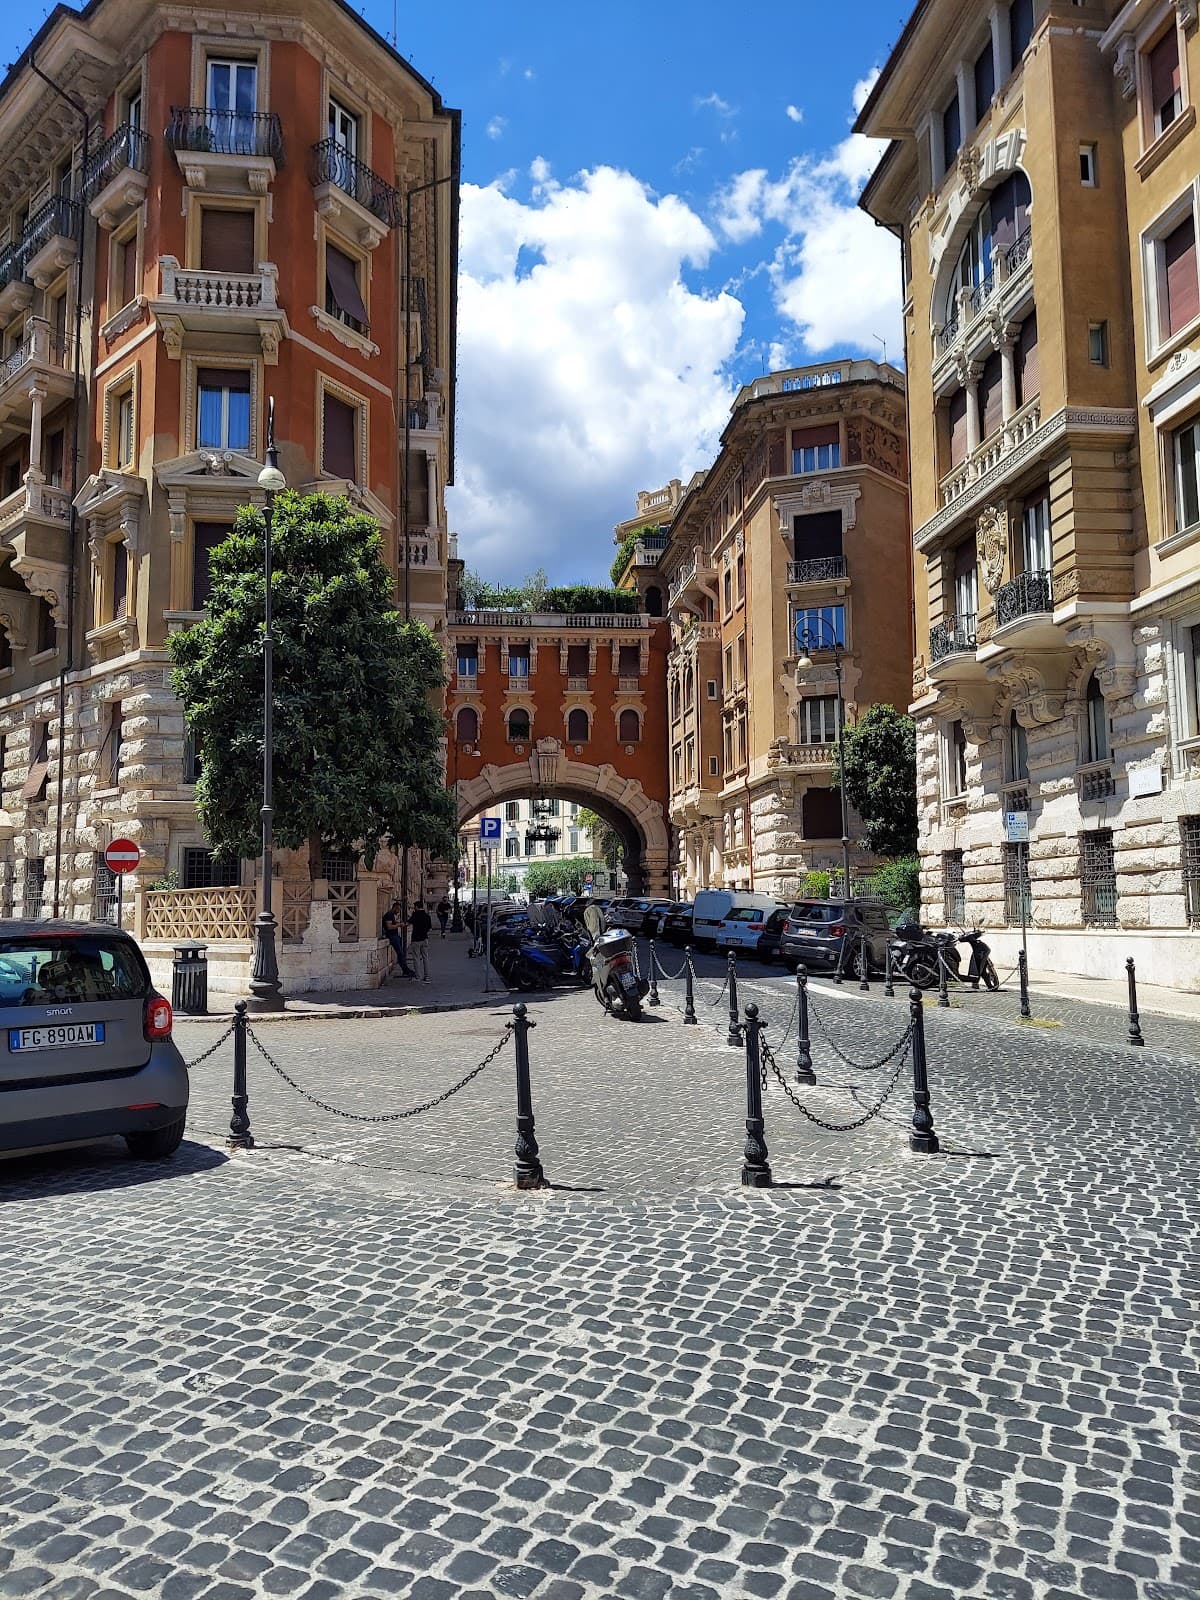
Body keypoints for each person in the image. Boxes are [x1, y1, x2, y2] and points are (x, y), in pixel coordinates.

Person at [382, 901, 414, 979]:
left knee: (401, 953)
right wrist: (399, 925)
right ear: (395, 908)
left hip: (395, 936)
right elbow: (389, 927)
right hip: (392, 936)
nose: (399, 911)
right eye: (398, 909)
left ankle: (405, 969)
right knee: (400, 953)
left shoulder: (391, 915)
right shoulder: (389, 915)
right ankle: (405, 970)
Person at [409, 899, 433, 981]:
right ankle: (426, 976)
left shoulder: (415, 915)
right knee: (425, 957)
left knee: (416, 958)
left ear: (416, 907)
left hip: (416, 939)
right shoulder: (427, 916)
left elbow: (408, 922)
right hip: (424, 938)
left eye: (414, 907)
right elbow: (429, 928)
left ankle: (417, 976)